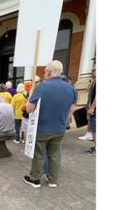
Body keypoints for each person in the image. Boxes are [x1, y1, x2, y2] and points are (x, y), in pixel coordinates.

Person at [22, 59, 76, 189]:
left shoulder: (41, 87)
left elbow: (29, 109)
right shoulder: (70, 88)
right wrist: (65, 120)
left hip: (42, 129)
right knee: (54, 154)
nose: (44, 74)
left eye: (45, 71)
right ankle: (53, 180)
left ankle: (35, 179)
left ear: (49, 73)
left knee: (39, 155)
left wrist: (29, 98)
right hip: (60, 128)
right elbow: (72, 108)